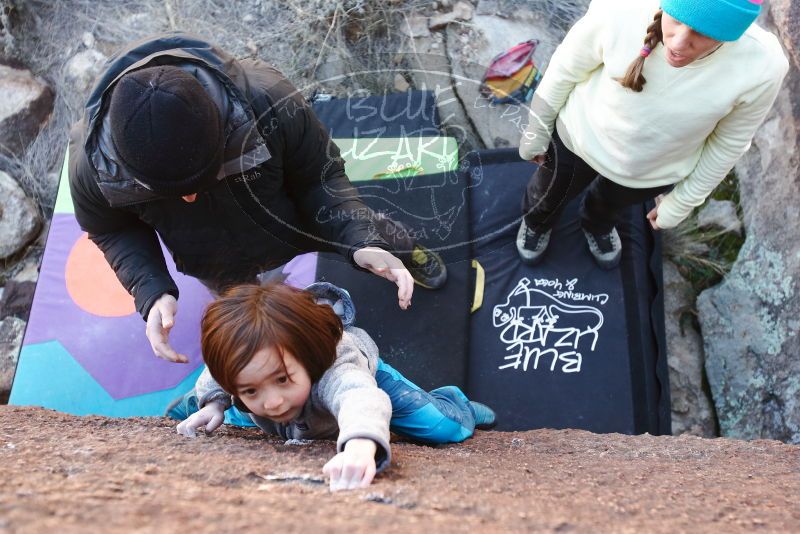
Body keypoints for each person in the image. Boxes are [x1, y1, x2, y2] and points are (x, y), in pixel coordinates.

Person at [68, 33, 447, 364]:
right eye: (169, 191)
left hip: (295, 216)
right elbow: (111, 230)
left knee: (372, 236)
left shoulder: (267, 99)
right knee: (248, 316)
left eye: (203, 176)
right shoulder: (93, 166)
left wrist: (362, 241)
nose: (189, 196)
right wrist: (150, 291)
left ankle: (401, 250)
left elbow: (321, 177)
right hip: (210, 257)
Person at [516, 0, 788, 269]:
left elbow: (729, 143)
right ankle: (537, 223)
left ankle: (596, 224)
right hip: (578, 140)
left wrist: (683, 201)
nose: (679, 43)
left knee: (608, 207)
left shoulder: (762, 66)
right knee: (548, 194)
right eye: (677, 19)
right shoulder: (620, 9)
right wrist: (536, 129)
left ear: (733, 33)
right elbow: (566, 69)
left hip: (650, 171)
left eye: (704, 32)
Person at [171, 282, 496, 491]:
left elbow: (358, 397)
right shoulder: (250, 377)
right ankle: (199, 402)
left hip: (368, 382)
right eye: (250, 390)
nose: (272, 403)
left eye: (282, 380)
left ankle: (455, 403)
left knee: (440, 428)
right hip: (282, 410)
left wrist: (359, 446)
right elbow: (218, 368)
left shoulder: (335, 369)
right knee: (222, 408)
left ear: (308, 358)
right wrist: (213, 402)